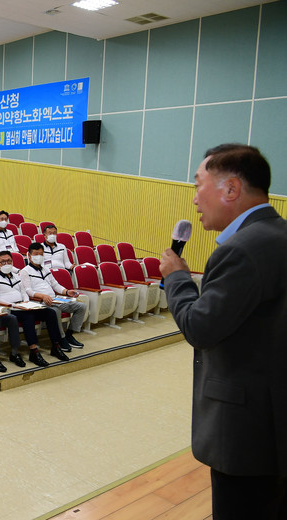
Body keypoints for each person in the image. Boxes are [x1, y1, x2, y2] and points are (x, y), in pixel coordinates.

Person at [159, 144, 287, 519]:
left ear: (230, 189)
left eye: (198, 184)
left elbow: (200, 327)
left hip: (246, 430)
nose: (194, 199)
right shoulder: (278, 235)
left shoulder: (242, 250)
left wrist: (177, 278)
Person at [0, 251, 66, 367]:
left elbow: (24, 292)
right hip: (9, 308)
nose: (6, 263)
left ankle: (56, 345)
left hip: (24, 305)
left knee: (50, 312)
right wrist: (13, 305)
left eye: (9, 261)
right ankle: (34, 351)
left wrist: (25, 301)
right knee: (28, 317)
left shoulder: (17, 276)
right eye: (3, 262)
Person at [20, 243, 86, 351]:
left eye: (41, 254)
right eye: (36, 254)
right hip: (40, 301)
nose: (39, 256)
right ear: (29, 256)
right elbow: (28, 291)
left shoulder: (46, 269)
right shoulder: (25, 271)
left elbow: (55, 285)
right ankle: (61, 338)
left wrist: (67, 291)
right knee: (56, 310)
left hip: (55, 299)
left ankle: (69, 334)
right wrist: (43, 296)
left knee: (81, 306)